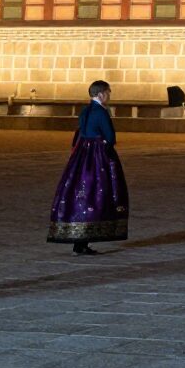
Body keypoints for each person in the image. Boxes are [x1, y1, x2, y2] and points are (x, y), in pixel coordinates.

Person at [48, 80, 129, 255]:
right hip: (98, 156)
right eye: (108, 92)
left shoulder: (85, 111)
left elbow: (80, 132)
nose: (109, 95)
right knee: (98, 193)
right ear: (100, 94)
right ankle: (84, 240)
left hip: (81, 155)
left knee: (81, 193)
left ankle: (79, 241)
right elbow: (110, 136)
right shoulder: (101, 112)